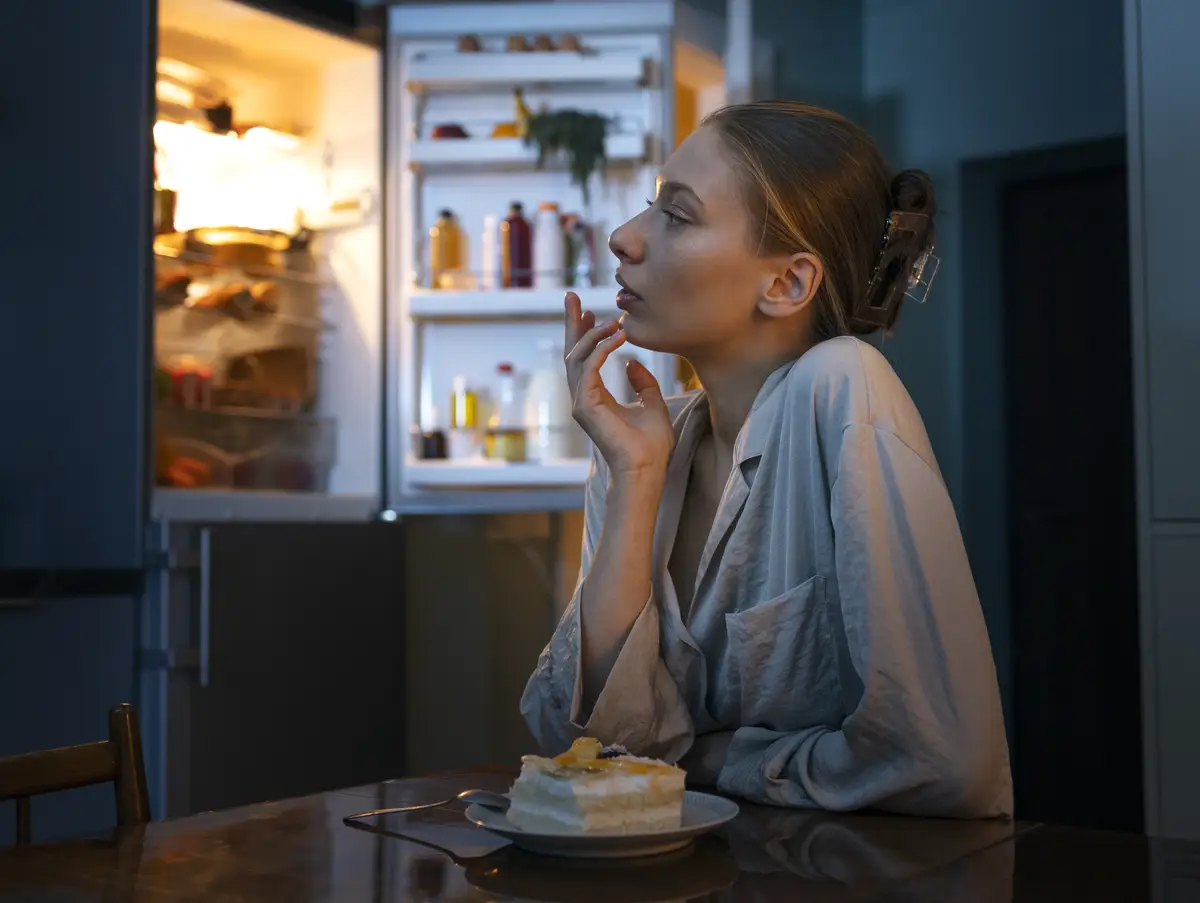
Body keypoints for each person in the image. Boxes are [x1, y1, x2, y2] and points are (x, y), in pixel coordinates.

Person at [519, 101, 1013, 819]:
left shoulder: (842, 385)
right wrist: (635, 479)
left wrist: (707, 759)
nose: (624, 238)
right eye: (648, 207)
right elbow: (586, 746)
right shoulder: (644, 443)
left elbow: (942, 762)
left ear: (785, 284)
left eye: (677, 216)